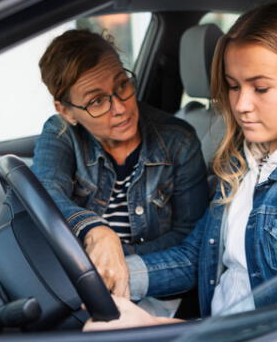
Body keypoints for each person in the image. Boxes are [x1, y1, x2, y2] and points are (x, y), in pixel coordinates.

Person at [84, 2, 277, 330]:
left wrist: (155, 325)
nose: (240, 105)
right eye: (234, 86)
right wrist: (108, 276)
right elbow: (196, 257)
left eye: (260, 88)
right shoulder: (245, 161)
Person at [33, 29, 209, 298]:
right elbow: (45, 192)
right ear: (67, 112)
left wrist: (115, 257)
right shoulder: (61, 133)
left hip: (154, 287)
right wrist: (97, 232)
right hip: (75, 282)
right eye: (97, 101)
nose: (121, 108)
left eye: (122, 86)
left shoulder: (179, 140)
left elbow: (190, 236)